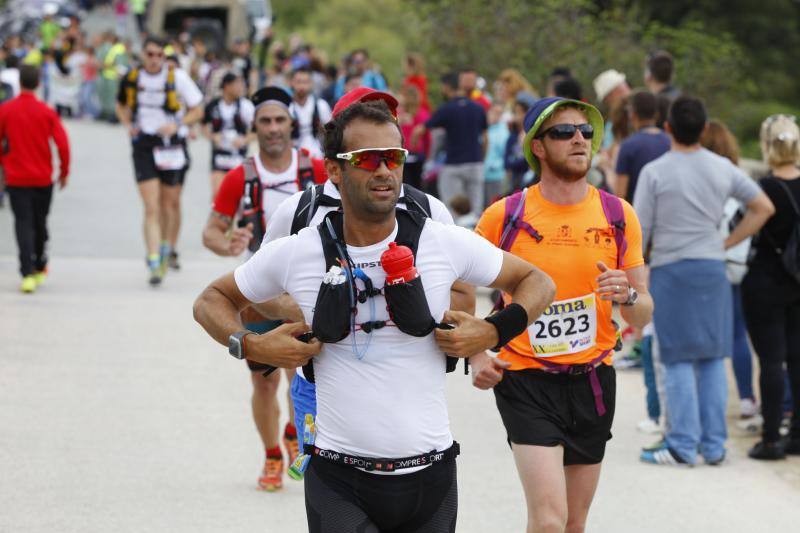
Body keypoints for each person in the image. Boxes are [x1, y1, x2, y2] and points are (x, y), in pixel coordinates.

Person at [193, 97, 555, 532]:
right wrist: (251, 343)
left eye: (394, 157)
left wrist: (491, 333)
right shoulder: (301, 250)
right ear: (335, 170)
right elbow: (210, 299)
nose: (384, 170)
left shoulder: (443, 239)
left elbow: (539, 282)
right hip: (338, 479)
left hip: (432, 473)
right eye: (367, 158)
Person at [261, 87, 475, 483]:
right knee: (337, 492)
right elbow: (256, 295)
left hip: (407, 391)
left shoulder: (427, 210)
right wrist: (302, 309)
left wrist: (443, 325)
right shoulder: (298, 211)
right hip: (321, 386)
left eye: (389, 141)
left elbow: (464, 292)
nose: (381, 161)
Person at [474, 96, 653, 533]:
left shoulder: (618, 215)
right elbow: (459, 288)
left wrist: (628, 295)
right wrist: (478, 352)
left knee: (574, 523)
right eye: (564, 132)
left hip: (592, 380)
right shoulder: (506, 216)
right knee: (550, 521)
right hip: (525, 378)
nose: (579, 139)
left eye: (586, 132)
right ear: (538, 146)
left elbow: (644, 314)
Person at [634, 96, 774, 466]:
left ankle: (682, 443)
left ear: (668, 129)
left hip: (671, 269)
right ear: (706, 128)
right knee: (713, 358)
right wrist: (727, 241)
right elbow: (763, 207)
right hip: (712, 269)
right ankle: (714, 446)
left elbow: (640, 231)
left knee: (677, 359)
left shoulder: (655, 172)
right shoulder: (722, 167)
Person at [202, 86, 327, 491]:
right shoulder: (243, 176)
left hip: (306, 292)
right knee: (264, 380)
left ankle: (295, 430)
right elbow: (211, 232)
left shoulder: (317, 170)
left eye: (279, 121)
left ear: (293, 123)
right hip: (259, 295)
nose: (273, 129)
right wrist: (229, 243)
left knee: (302, 373)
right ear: (253, 126)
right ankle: (272, 454)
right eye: (265, 122)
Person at [116, 36, 203, 285]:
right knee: (151, 205)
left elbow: (198, 108)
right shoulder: (132, 78)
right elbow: (121, 104)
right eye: (150, 55)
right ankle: (154, 259)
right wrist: (128, 125)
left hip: (172, 145)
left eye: (159, 56)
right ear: (143, 55)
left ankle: (167, 247)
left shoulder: (178, 78)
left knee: (170, 203)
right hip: (144, 144)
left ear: (164, 57)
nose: (154, 60)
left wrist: (177, 124)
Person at [742, 114, 800, 459]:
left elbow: (742, 227)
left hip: (765, 281)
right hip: (798, 281)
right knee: (797, 358)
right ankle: (797, 435)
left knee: (771, 361)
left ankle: (771, 438)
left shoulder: (762, 189)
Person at [700, 119, 760, 423]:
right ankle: (749, 396)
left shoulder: (704, 176)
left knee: (710, 336)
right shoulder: (740, 177)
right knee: (741, 334)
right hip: (741, 263)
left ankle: (725, 399)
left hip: (709, 263)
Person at [0, 64, 70, 293]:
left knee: (23, 224)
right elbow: (62, 144)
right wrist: (63, 171)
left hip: (17, 178)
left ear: (19, 82)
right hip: (42, 178)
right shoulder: (47, 112)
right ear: (39, 83)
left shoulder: (6, 110)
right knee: (40, 223)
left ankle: (27, 272)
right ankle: (40, 263)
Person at [411, 72, 487, 219]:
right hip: (475, 163)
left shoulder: (446, 109)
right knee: (477, 210)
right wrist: (481, 158)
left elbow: (420, 129)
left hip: (453, 164)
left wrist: (415, 142)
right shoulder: (478, 108)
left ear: (447, 87)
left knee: (452, 210)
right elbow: (485, 138)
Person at [202, 72, 254, 196]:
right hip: (219, 157)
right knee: (218, 195)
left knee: (236, 196)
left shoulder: (245, 106)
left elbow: (255, 131)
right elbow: (203, 126)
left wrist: (244, 140)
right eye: (237, 84)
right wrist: (212, 137)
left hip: (238, 157)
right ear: (226, 86)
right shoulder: (213, 105)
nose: (241, 87)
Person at [614, 90, 671, 203]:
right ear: (656, 113)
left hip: (636, 215)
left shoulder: (628, 146)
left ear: (632, 114)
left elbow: (620, 194)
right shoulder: (670, 142)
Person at [289, 67, 332, 158]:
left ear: (311, 84)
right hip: (293, 155)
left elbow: (331, 132)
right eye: (298, 82)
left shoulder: (321, 105)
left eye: (305, 82)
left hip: (318, 155)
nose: (302, 86)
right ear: (291, 83)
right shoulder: (287, 107)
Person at [397, 83, 430, 190]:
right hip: (419, 155)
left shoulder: (397, 115)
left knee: (404, 186)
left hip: (401, 154)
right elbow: (428, 138)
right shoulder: (423, 114)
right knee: (418, 187)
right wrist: (427, 154)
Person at [484, 102, 509, 205]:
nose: (496, 116)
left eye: (500, 113)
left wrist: (495, 165)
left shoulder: (504, 132)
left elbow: (505, 154)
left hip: (496, 175)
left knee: (494, 205)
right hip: (481, 175)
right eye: (494, 112)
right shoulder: (483, 128)